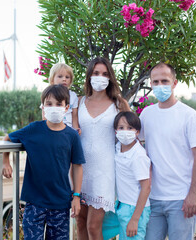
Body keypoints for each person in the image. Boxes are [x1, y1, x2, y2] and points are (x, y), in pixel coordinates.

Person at [2, 84, 85, 240]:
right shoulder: (33, 130)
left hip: (61, 203)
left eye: (58, 104)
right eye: (49, 103)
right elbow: (8, 138)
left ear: (66, 107)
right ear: (43, 107)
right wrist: (5, 161)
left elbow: (77, 166)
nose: (54, 107)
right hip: (35, 203)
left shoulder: (72, 136)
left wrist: (76, 196)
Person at [139, 62, 196, 240]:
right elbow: (135, 147)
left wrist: (193, 194)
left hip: (181, 199)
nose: (160, 86)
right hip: (153, 198)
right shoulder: (146, 114)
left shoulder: (189, 115)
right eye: (156, 82)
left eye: (165, 81)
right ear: (151, 84)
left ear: (174, 83)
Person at [76, 57, 130, 240]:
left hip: (104, 172)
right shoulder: (79, 102)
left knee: (93, 226)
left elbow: (132, 133)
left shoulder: (119, 104)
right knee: (81, 222)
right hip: (79, 170)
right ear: (89, 75)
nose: (100, 77)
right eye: (96, 73)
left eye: (105, 74)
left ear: (110, 78)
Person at [113, 111, 151, 240]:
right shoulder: (118, 148)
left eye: (130, 128)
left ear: (137, 132)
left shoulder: (138, 156)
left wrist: (135, 219)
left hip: (135, 209)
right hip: (121, 204)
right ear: (115, 131)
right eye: (121, 128)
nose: (125, 131)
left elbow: (146, 187)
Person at [42, 63, 81, 134]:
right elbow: (44, 117)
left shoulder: (73, 96)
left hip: (68, 132)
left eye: (67, 77)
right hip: (52, 130)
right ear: (52, 79)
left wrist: (76, 130)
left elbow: (74, 117)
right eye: (60, 76)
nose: (64, 79)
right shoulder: (48, 94)